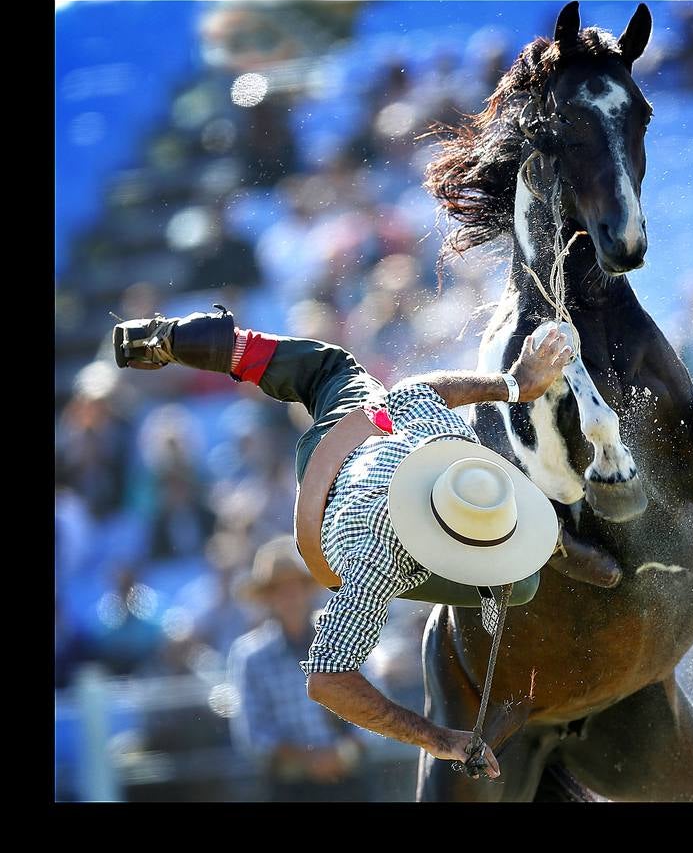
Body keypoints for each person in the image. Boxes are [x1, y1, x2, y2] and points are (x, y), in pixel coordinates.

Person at [113, 304, 574, 780]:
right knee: (521, 585)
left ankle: (174, 337)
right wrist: (436, 738)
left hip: (359, 427)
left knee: (328, 363)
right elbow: (327, 680)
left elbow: (427, 390)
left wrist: (515, 384)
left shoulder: (444, 436)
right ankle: (182, 339)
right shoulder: (377, 561)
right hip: (340, 503)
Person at [228, 537, 370, 801]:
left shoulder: (341, 639)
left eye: (295, 587)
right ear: (267, 598)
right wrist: (309, 759)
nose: (289, 597)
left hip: (349, 778)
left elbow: (376, 706)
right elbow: (254, 734)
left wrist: (342, 753)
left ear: (308, 590)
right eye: (279, 590)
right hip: (290, 786)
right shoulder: (250, 656)